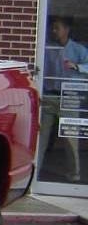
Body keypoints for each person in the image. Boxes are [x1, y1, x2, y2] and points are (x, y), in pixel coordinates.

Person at [39, 17, 86, 183]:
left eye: (57, 28)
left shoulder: (78, 50)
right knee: (41, 136)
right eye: (52, 28)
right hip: (50, 96)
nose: (54, 31)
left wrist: (77, 66)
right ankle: (35, 171)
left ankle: (74, 174)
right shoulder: (48, 49)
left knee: (70, 138)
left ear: (66, 30)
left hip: (70, 97)